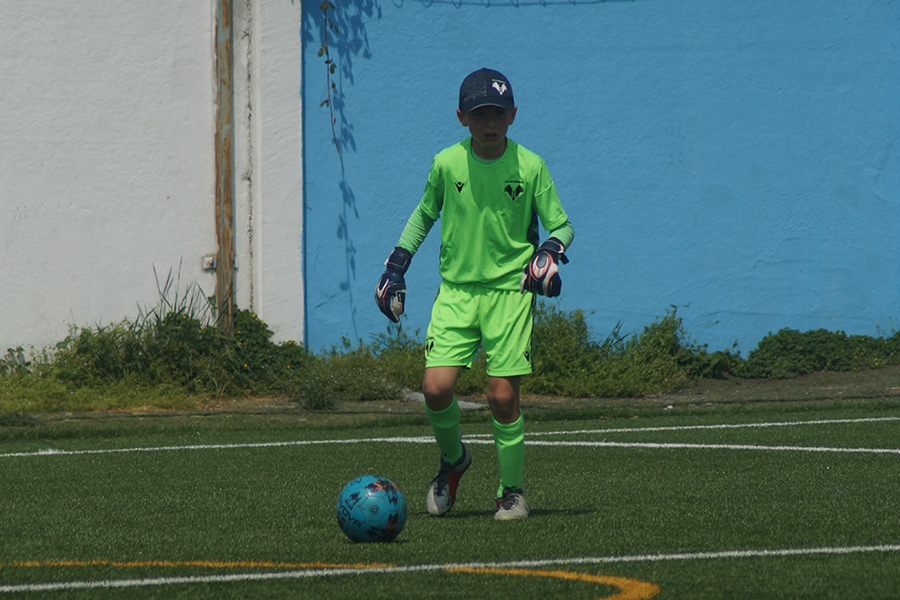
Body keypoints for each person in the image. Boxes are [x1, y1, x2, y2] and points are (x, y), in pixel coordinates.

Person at [375, 67, 574, 520]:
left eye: (498, 114)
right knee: (435, 388)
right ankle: (454, 460)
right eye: (480, 114)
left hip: (510, 293)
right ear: (461, 117)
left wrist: (548, 251)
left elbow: (561, 224)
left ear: (513, 115)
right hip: (457, 293)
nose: (490, 123)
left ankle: (511, 492)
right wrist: (396, 266)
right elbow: (425, 214)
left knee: (502, 398)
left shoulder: (530, 166)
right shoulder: (447, 163)